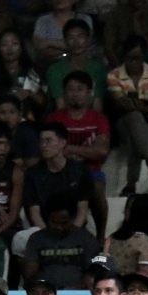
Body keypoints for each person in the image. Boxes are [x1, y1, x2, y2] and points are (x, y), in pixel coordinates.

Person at [49, 71, 112, 239]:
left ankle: (100, 237)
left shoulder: (99, 119)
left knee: (97, 189)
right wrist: (86, 152)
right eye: (70, 89)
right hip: (61, 171)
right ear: (64, 93)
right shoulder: (54, 119)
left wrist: (70, 149)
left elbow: (101, 151)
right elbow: (51, 149)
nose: (75, 93)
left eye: (80, 89)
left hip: (91, 171)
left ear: (89, 92)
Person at [106, 36, 148, 197]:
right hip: (124, 123)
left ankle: (131, 184)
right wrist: (142, 105)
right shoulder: (114, 75)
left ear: (144, 57)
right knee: (133, 119)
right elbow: (122, 104)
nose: (133, 62)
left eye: (137, 58)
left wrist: (134, 104)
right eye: (130, 58)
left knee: (134, 130)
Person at [23, 194, 102, 289]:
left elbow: (92, 273)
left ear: (73, 218)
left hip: (79, 293)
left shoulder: (86, 238)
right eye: (54, 222)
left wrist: (76, 289)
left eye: (63, 223)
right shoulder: (36, 239)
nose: (59, 227)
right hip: (44, 292)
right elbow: (30, 273)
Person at [106, 193, 148, 286]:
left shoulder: (113, 238)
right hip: (135, 290)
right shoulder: (146, 242)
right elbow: (146, 276)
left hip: (113, 287)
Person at [0, 30, 46, 119]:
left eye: (14, 44)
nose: (10, 48)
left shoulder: (32, 72)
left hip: (25, 121)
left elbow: (43, 102)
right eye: (4, 44)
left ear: (21, 47)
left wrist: (29, 94)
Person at [45, 20, 108, 111]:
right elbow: (61, 107)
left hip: (91, 117)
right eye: (71, 38)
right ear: (65, 41)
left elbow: (97, 105)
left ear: (88, 39)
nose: (76, 42)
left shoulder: (98, 68)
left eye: (80, 36)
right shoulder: (55, 70)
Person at [32, 0, 94, 68]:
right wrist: (71, 50)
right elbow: (40, 46)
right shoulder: (43, 20)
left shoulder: (84, 18)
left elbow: (86, 44)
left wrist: (50, 42)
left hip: (80, 62)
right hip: (50, 63)